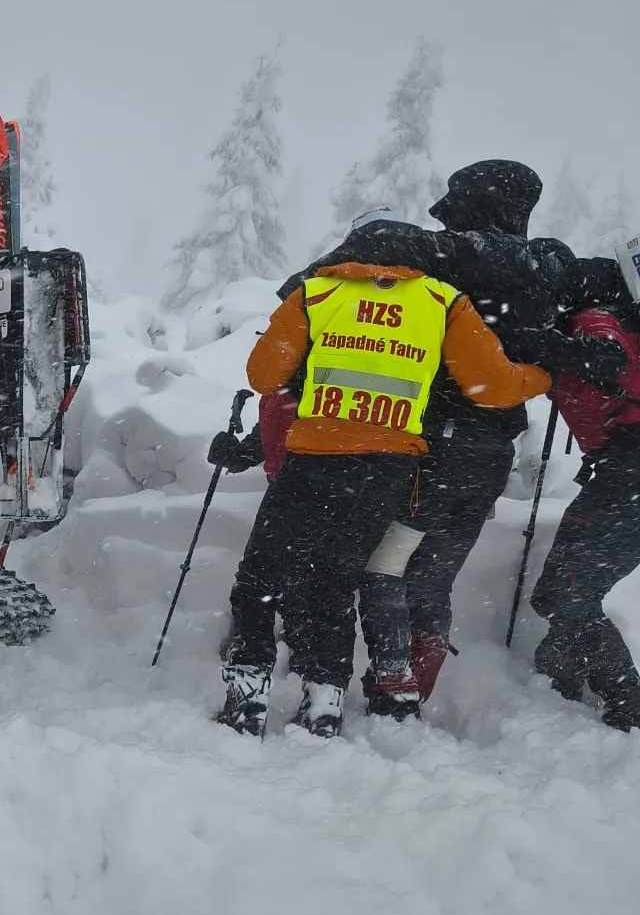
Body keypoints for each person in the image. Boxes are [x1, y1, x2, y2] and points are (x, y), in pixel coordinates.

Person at [284, 170, 625, 709]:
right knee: (434, 577)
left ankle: (393, 682)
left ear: (465, 207)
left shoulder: (435, 254)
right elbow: (611, 283)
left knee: (385, 565)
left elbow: (345, 262)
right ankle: (416, 681)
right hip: (491, 459)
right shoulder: (552, 265)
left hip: (433, 450)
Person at [218, 252, 549, 737]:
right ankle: (324, 704)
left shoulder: (318, 291)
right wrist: (544, 373)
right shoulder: (441, 300)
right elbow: (492, 388)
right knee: (333, 583)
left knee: (259, 579)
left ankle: (247, 701)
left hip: (315, 458)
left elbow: (263, 376)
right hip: (387, 469)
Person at [528, 245, 640, 731]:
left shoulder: (590, 315)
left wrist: (535, 343)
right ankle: (560, 677)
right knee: (559, 589)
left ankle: (626, 706)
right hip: (621, 470)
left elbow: (605, 358)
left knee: (567, 591)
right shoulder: (585, 317)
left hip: (631, 471)